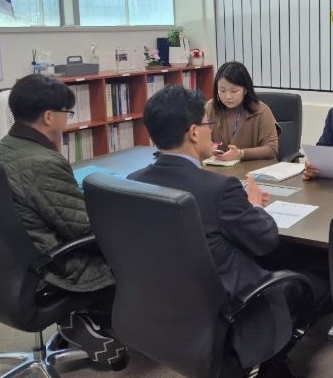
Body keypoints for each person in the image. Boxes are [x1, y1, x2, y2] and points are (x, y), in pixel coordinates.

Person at [127, 85, 299, 373]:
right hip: (229, 304)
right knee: (314, 279)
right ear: (194, 132)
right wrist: (254, 206)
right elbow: (266, 240)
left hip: (165, 303)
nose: (212, 130)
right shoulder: (219, 189)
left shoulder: (134, 182)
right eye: (208, 124)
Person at [0, 74, 126, 364]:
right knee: (129, 250)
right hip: (46, 271)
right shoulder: (43, 162)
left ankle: (81, 320)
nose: (67, 121)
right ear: (49, 116)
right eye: (66, 113)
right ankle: (98, 324)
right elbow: (84, 229)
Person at [206, 61, 279, 161]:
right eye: (222, 90)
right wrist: (206, 147)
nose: (228, 96)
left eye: (234, 91)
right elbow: (197, 140)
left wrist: (241, 153)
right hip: (217, 167)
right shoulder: (211, 107)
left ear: (245, 90)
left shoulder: (261, 110)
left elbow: (272, 149)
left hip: (252, 168)